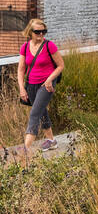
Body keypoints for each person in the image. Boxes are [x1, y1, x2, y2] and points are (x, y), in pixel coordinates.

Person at [17, 17, 64, 157]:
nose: (41, 35)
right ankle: (51, 140)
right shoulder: (25, 47)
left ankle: (25, 147)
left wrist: (50, 79)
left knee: (35, 113)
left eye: (44, 31)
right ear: (30, 32)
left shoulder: (50, 46)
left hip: (47, 84)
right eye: (38, 32)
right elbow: (21, 69)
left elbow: (61, 65)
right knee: (42, 111)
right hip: (31, 84)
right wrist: (21, 88)